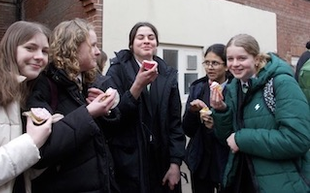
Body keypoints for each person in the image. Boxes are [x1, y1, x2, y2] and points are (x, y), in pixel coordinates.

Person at [26, 18, 120, 193]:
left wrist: (107, 112)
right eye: (92, 45)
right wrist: (88, 114)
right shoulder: (44, 85)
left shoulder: (86, 82)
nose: (98, 52)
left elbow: (105, 137)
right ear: (73, 47)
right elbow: (39, 152)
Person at [210, 34, 310, 192]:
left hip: (282, 183)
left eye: (242, 58)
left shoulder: (282, 83)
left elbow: (297, 139)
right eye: (230, 59)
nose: (235, 64)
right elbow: (227, 139)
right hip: (243, 179)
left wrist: (241, 139)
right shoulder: (233, 88)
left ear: (256, 59)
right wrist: (221, 110)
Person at [106, 22, 186, 193]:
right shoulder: (116, 72)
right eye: (140, 37)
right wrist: (137, 86)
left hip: (161, 162)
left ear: (157, 43)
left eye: (151, 37)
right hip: (130, 165)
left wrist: (175, 164)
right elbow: (112, 117)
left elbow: (174, 123)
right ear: (131, 44)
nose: (146, 41)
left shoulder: (168, 74)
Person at [0, 21, 53, 192]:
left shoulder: (20, 93)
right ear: (10, 48)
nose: (40, 57)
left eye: (45, 51)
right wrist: (32, 142)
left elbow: (19, 172)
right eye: (30, 48)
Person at [182, 44, 232, 193]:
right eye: (207, 63)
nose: (210, 67)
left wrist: (215, 124)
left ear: (226, 66)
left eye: (215, 63)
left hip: (225, 160)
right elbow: (187, 130)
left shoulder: (235, 90)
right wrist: (192, 112)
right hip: (201, 160)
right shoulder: (198, 88)